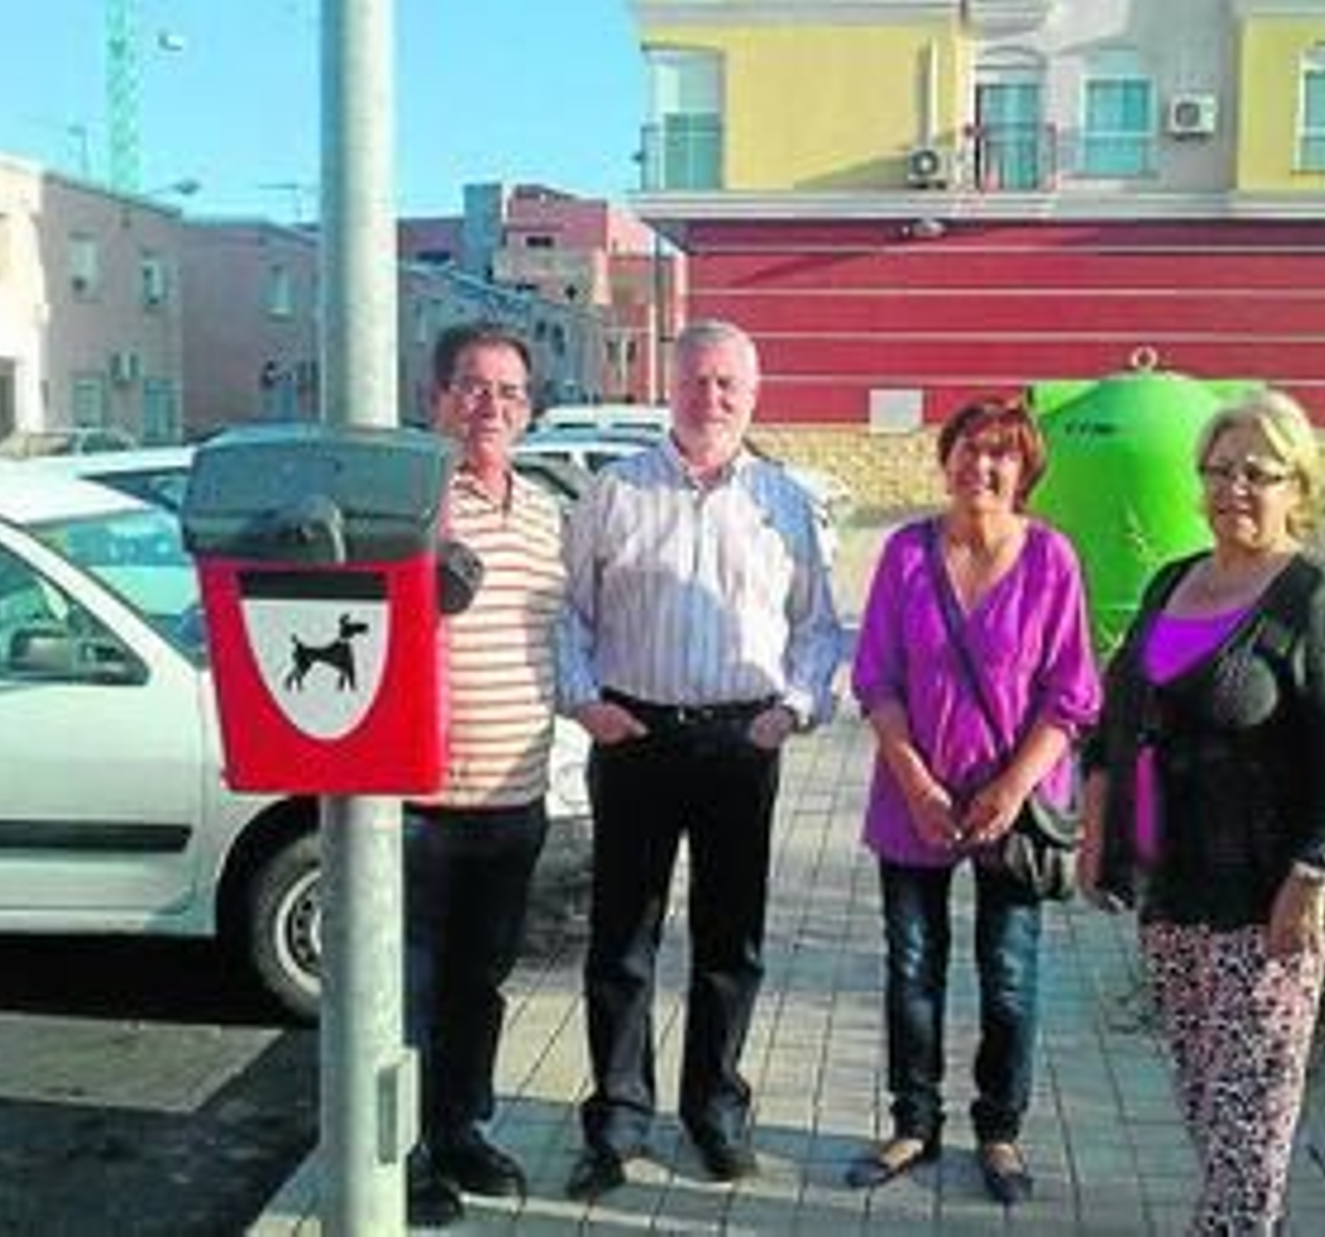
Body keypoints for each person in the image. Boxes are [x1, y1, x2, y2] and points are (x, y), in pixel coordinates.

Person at [1078, 388, 1325, 1235]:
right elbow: (1120, 712)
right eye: (1218, 470)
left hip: (1263, 912)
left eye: (1258, 471)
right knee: (1214, 1118)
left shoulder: (1317, 599)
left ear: (1299, 485)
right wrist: (1096, 824)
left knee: (1249, 1141)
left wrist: (1314, 875)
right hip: (1171, 897)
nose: (1233, 488)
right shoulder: (1174, 578)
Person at [556, 318, 843, 1199]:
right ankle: (616, 1119)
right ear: (668, 386)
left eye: (728, 384)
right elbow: (567, 613)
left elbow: (820, 626)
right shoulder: (613, 492)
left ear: (752, 395)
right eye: (696, 381)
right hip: (634, 735)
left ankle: (715, 1109)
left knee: (730, 942)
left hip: (738, 743)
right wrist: (586, 702)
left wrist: (792, 709)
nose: (710, 398)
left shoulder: (784, 501)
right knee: (622, 939)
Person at [845, 397, 1100, 1205]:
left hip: (1014, 806)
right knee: (913, 967)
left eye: (1001, 455)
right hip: (912, 795)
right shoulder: (905, 555)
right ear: (946, 458)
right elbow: (876, 678)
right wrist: (916, 780)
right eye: (967, 449)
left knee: (1010, 974)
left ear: (1025, 471)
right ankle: (914, 1122)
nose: (980, 467)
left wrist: (1011, 784)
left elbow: (1072, 694)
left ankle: (999, 1130)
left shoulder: (1052, 559)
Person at [404, 322, 567, 1228]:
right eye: (472, 386)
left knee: (480, 984)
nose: (491, 406)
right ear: (438, 399)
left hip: (516, 794)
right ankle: (408, 1154)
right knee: (412, 993)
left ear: (529, 409)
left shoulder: (544, 510)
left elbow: (563, 633)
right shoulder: (415, 501)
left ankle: (463, 1128)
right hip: (421, 799)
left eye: (509, 392)